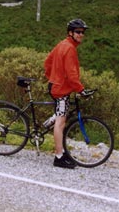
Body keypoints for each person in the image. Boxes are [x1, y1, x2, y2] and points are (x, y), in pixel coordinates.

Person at [44, 18, 91, 169]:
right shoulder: (69, 48)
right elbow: (72, 76)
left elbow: (47, 63)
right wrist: (81, 90)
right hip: (61, 90)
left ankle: (51, 123)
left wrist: (52, 78)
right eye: (78, 32)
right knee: (61, 122)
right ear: (70, 33)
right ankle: (59, 157)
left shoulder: (62, 44)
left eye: (82, 32)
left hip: (56, 86)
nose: (81, 35)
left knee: (60, 114)